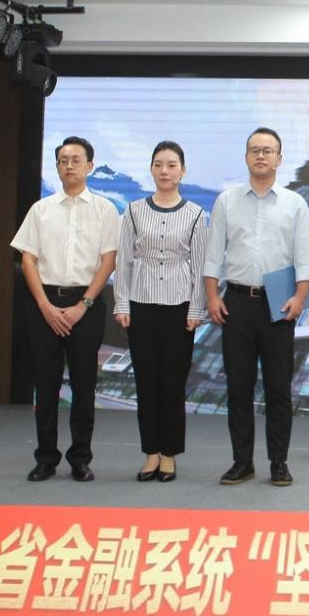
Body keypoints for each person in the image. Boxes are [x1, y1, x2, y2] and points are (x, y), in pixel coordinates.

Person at [204, 127, 309, 487]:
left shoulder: (295, 204)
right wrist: (212, 297)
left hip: (278, 304)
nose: (261, 155)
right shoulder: (227, 201)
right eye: (255, 150)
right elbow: (212, 255)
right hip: (236, 302)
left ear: (279, 158)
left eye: (268, 150)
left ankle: (279, 462)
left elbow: (304, 258)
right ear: (246, 157)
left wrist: (300, 298)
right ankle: (242, 462)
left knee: (278, 389)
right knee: (238, 387)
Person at [11, 136, 119, 482]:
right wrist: (44, 305)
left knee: (84, 385)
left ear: (90, 166)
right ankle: (46, 458)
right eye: (62, 160)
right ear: (57, 167)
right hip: (44, 303)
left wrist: (83, 304)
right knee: (46, 384)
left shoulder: (105, 209)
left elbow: (108, 261)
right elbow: (27, 259)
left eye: (76, 160)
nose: (69, 165)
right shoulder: (41, 209)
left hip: (86, 305)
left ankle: (80, 459)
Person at [114, 141, 208, 483]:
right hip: (141, 305)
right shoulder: (134, 210)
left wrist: (196, 308)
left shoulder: (195, 214)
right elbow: (123, 260)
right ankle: (150, 453)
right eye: (158, 165)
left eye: (171, 165)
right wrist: (122, 303)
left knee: (172, 384)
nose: (164, 171)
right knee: (146, 382)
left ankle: (169, 455)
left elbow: (200, 265)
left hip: (179, 308)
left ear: (182, 170)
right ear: (151, 169)